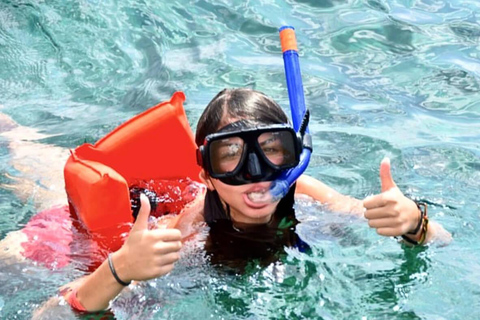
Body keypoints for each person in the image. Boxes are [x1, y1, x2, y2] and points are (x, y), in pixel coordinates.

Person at [3, 88, 451, 315]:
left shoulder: (308, 195)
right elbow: (50, 316)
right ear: (208, 175)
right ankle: (12, 136)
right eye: (231, 156)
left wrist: (416, 223)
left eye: (272, 151)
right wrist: (119, 270)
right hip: (140, 212)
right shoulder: (188, 234)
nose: (257, 177)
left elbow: (442, 243)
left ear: (295, 157)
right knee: (30, 211)